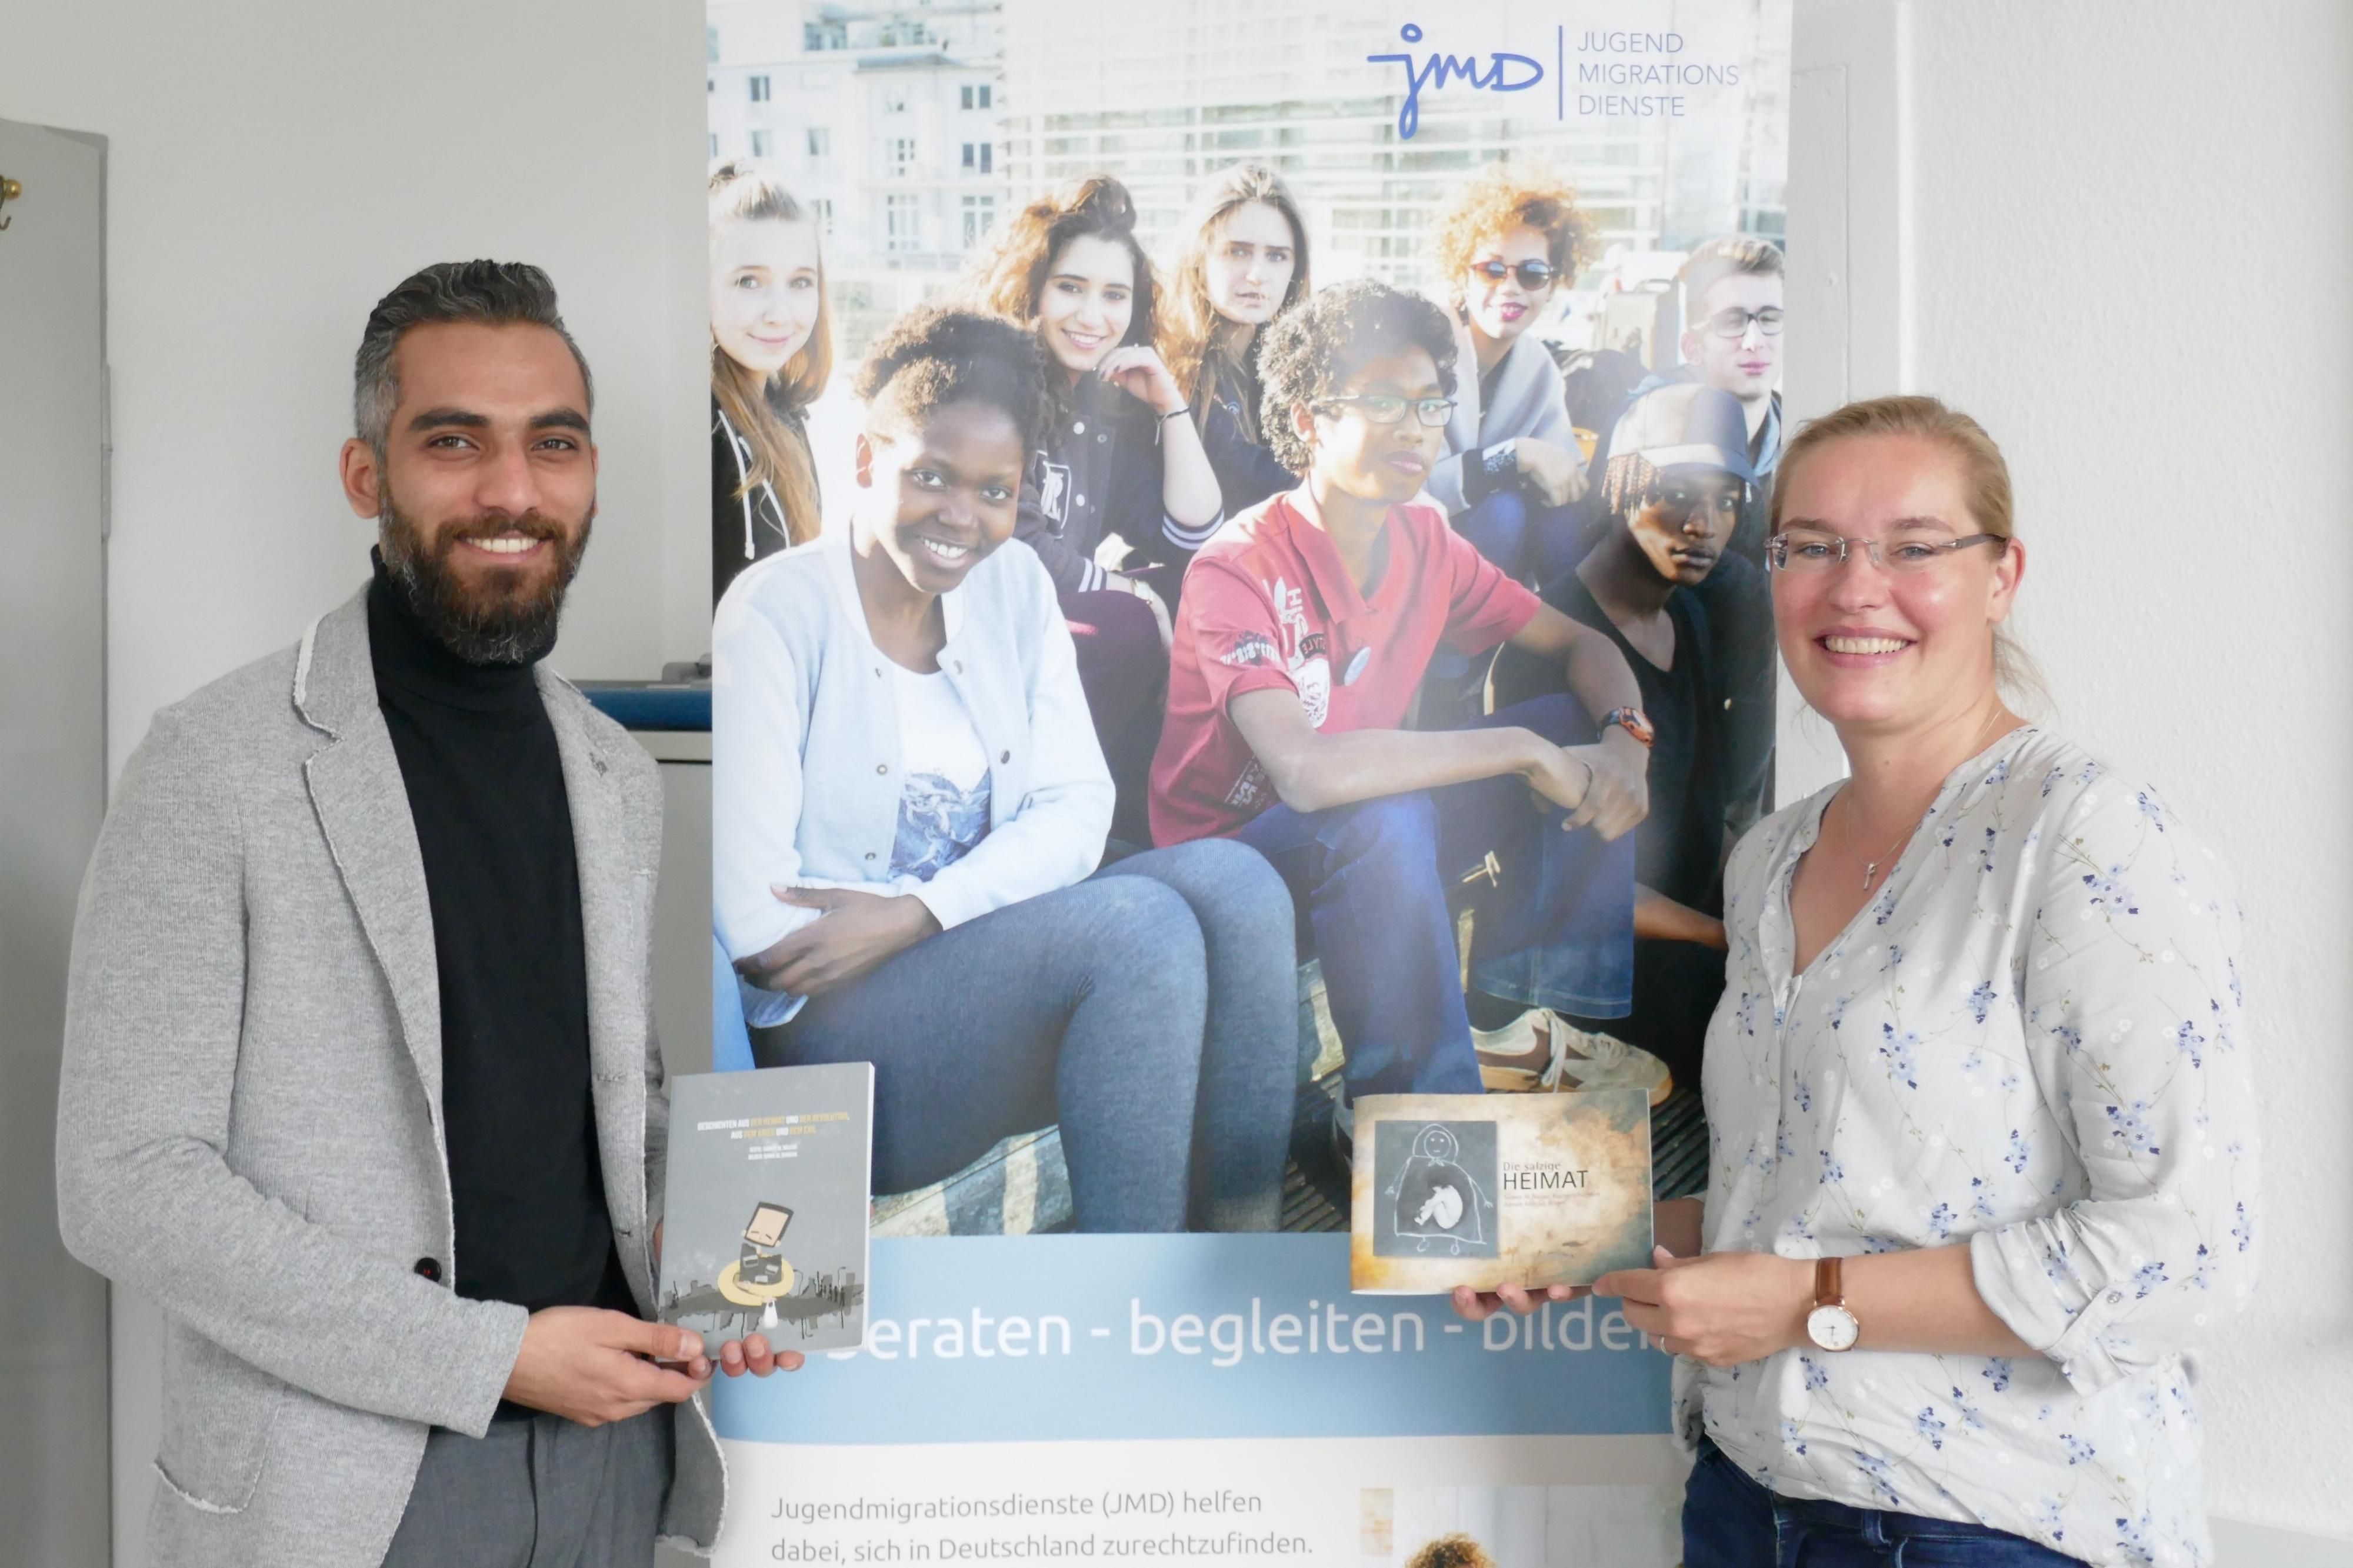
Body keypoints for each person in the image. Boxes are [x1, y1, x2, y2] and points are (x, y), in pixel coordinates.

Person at [56, 262, 786, 1568]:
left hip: (619, 1461)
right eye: (454, 442)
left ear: (591, 473)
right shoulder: (213, 763)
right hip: (344, 1494)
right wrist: (492, 1354)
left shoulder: (613, 774)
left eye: (551, 444)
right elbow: (123, 1182)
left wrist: (729, 1262)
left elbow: (621, 1114)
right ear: (364, 476)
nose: (511, 491)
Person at [1460, 397, 2261, 1567]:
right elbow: (1785, 1199)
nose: (1852, 587)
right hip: (1743, 1499)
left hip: (1991, 1525)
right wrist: (1556, 1227)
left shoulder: (2090, 834)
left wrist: (1795, 1304)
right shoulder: (1770, 857)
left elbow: (2183, 1251)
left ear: (2000, 575)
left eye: (1911, 546)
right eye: (1811, 548)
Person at [712, 303, 1296, 1234]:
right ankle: (1130, 1308)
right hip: (840, 1045)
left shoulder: (1014, 584)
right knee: (1138, 928)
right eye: (931, 476)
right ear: (867, 461)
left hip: (975, 972)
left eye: (995, 490)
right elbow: (759, 926)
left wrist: (918, 913)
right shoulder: (776, 613)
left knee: (1238, 882)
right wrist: (944, 927)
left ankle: (1246, 1247)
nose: (963, 516)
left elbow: (1077, 804)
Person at [1149, 279, 1671, 1113]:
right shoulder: (1237, 566)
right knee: (1387, 811)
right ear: (1309, 420)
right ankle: (1415, 1115)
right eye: (1384, 401)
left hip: (1360, 832)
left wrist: (1623, 739)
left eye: (1432, 406)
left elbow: (1582, 644)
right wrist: (1522, 751)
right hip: (1231, 867)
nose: (1415, 428)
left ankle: (1518, 1019)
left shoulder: (1424, 537)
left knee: (1574, 720)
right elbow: (1308, 773)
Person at [1493, 382, 1758, 1094]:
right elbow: (1563, 884)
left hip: (1702, 931)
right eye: (1679, 493)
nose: (1705, 523)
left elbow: (1705, 815)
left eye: (1727, 499)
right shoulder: (1549, 639)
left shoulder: (1692, 620)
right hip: (1606, 980)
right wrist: (1719, 938)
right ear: (1620, 485)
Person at [973, 175, 1224, 842]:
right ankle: (1048, 815)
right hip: (979, 632)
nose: (1092, 315)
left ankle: (1146, 818)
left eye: (1114, 295)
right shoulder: (995, 386)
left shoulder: (1097, 405)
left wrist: (1169, 406)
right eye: (1070, 287)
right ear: (1031, 289)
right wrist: (1136, 599)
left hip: (1046, 626)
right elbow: (1011, 543)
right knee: (1128, 620)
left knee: (1193, 591)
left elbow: (1189, 535)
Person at [1423, 163, 1594, 585]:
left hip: (1496, 560)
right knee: (1503, 512)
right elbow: (1412, 486)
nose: (1510, 287)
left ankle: (1576, 640)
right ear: (1462, 274)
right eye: (1492, 270)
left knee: (1566, 520)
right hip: (1411, 547)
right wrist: (1515, 456)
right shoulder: (1423, 344)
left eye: (1533, 274)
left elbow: (1567, 482)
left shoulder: (1539, 367)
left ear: (1553, 286)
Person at [1668, 235, 1788, 837]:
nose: (1753, 340)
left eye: (1769, 319)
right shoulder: (1659, 426)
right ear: (1693, 344)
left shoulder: (1798, 435)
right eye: (1732, 321)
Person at [710, 161, 832, 603]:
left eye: (800, 281)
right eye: (749, 281)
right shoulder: (708, 430)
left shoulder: (784, 413)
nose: (779, 312)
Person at [1163, 161, 1312, 521]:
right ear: (1200, 257)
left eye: (1277, 256)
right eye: (1237, 251)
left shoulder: (1294, 361)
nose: (1258, 275)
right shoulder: (1169, 359)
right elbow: (1245, 476)